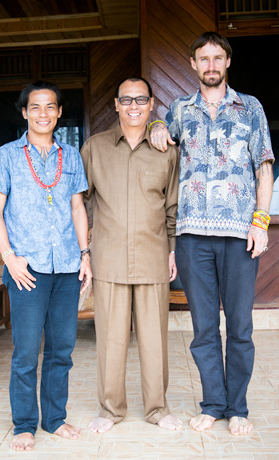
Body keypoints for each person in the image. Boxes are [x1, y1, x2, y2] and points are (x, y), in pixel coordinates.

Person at [150, 32, 275, 436]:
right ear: (192, 64)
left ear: (227, 61)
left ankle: (237, 408)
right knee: (204, 329)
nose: (210, 65)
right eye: (202, 58)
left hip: (240, 235)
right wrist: (154, 125)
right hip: (192, 238)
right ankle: (212, 404)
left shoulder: (250, 108)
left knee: (239, 326)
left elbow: (264, 169)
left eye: (217, 58)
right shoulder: (179, 109)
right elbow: (158, 134)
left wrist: (261, 222)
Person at [0, 80, 91, 451]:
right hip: (25, 270)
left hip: (65, 265)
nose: (43, 113)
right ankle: (24, 424)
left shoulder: (72, 156)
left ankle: (55, 418)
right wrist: (9, 258)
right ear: (25, 112)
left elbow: (78, 208)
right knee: (27, 351)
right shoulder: (7, 156)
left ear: (60, 113)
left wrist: (85, 255)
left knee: (62, 349)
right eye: (36, 107)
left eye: (51, 107)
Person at [80, 77, 182, 433]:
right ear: (116, 104)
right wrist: (84, 253)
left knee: (154, 340)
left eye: (141, 99)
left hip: (154, 255)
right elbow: (78, 202)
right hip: (108, 258)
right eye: (127, 100)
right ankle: (110, 410)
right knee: (111, 340)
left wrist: (171, 251)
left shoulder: (167, 150)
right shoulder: (95, 148)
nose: (134, 106)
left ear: (152, 103)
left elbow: (172, 207)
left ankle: (158, 408)